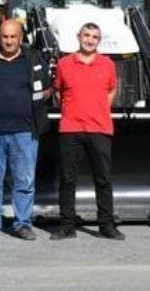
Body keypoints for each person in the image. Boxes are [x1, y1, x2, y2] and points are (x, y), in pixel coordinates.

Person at [0, 18, 49, 240]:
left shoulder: (34, 60)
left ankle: (23, 223)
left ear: (21, 38)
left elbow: (46, 90)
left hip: (24, 131)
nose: (8, 41)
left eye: (12, 37)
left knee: (24, 180)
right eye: (4, 37)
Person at [51, 22, 124, 240]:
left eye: (94, 37)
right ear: (78, 37)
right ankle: (67, 226)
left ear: (98, 41)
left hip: (99, 129)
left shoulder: (107, 64)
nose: (90, 40)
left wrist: (98, 109)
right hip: (70, 129)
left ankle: (107, 225)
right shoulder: (64, 64)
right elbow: (59, 93)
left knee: (103, 179)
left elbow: (112, 91)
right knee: (67, 179)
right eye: (86, 35)